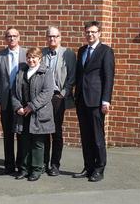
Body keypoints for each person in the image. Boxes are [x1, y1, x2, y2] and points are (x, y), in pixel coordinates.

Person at [73, 21, 115, 182]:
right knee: (85, 136)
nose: (90, 35)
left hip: (97, 101)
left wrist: (106, 100)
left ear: (99, 33)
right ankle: (88, 166)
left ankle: (99, 168)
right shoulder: (82, 50)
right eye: (87, 32)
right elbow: (79, 75)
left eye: (93, 32)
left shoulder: (106, 51)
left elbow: (108, 77)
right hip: (82, 99)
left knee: (97, 136)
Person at [12, 47, 55, 181]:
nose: (31, 60)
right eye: (29, 57)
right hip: (22, 113)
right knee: (24, 142)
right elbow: (14, 92)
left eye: (34, 57)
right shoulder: (21, 72)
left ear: (39, 59)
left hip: (38, 113)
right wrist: (17, 106)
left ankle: (36, 169)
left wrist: (31, 106)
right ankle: (24, 169)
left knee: (37, 143)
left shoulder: (46, 72)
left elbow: (48, 92)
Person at [42, 26, 76, 176]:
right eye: (50, 36)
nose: (52, 39)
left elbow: (72, 76)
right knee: (43, 131)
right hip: (44, 98)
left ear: (60, 37)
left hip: (58, 97)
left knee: (56, 132)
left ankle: (55, 164)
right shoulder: (42, 53)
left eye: (55, 36)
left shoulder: (68, 54)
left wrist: (63, 93)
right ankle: (43, 163)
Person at [0, 27, 27, 175]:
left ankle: (21, 165)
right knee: (7, 135)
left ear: (19, 37)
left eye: (14, 36)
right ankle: (8, 165)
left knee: (21, 134)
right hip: (5, 101)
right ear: (5, 38)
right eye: (9, 36)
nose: (11, 38)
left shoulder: (26, 54)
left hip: (21, 102)